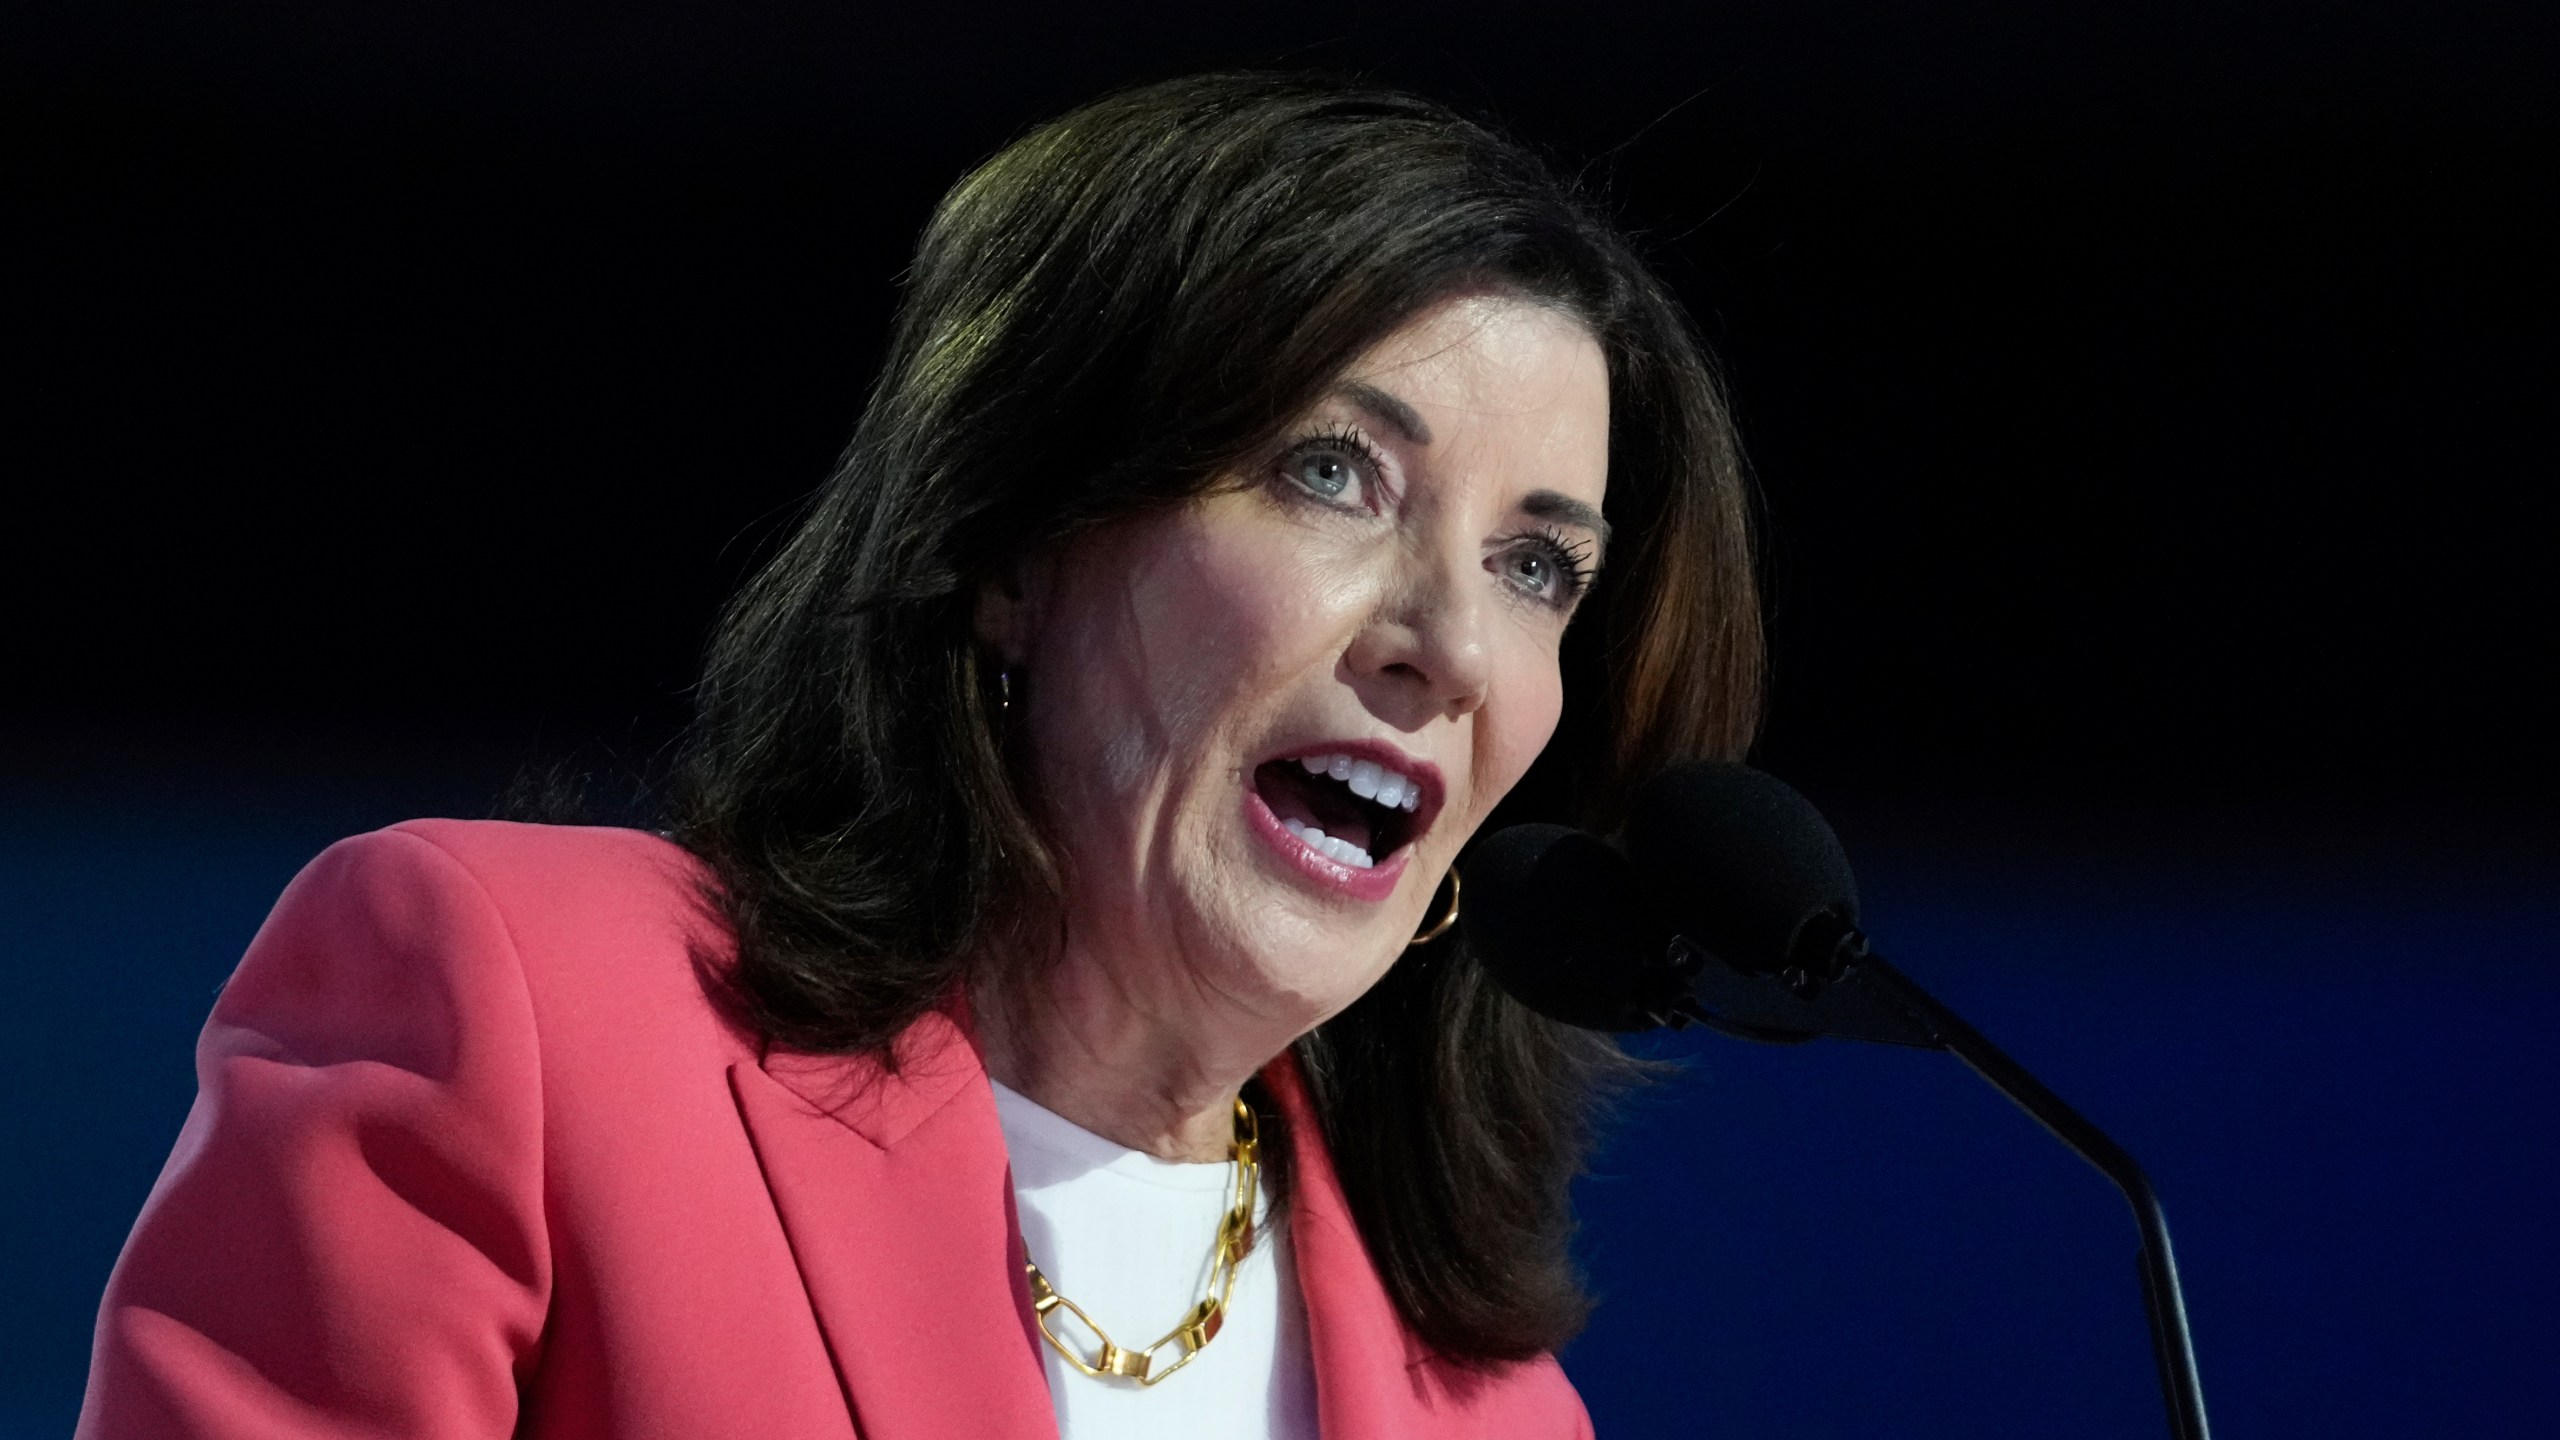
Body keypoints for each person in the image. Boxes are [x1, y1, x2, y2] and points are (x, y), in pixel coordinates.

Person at [77, 71, 1762, 1440]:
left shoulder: (1495, 1414)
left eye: (1536, 567)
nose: (1452, 648)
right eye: (1334, 474)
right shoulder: (522, 1011)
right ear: (1019, 544)